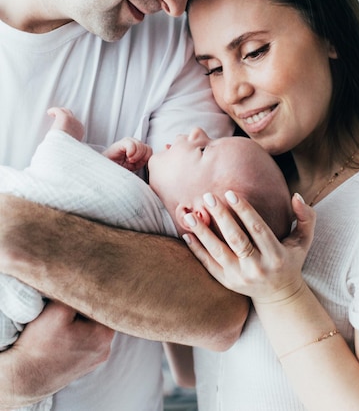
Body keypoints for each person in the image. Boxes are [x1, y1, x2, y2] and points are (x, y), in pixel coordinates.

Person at [0, 0, 263, 408]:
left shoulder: (174, 49)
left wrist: (14, 229)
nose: (178, 1)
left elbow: (217, 307)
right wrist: (14, 382)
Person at [182, 0, 359, 410]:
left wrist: (281, 294)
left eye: (253, 52)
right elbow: (197, 374)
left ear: (330, 33)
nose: (232, 92)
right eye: (213, 67)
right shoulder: (253, 189)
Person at [0, 106, 292, 411]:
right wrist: (100, 169)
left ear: (194, 216)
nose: (196, 132)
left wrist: (65, 137)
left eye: (205, 150)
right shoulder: (155, 241)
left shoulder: (131, 199)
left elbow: (49, 181)